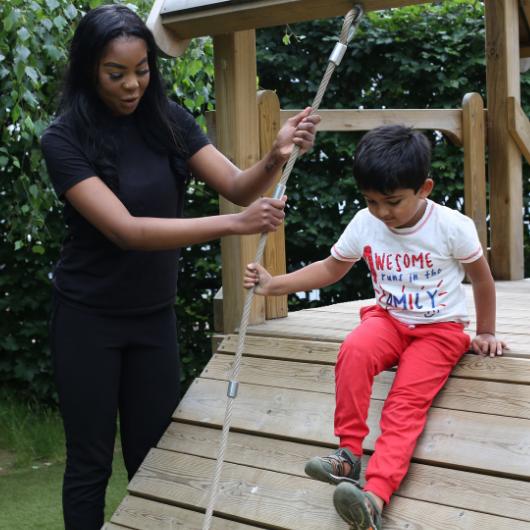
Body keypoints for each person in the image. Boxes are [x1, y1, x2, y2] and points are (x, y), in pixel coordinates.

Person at [40, 4, 319, 529]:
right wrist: (236, 226)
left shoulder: (169, 121)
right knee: (89, 463)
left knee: (154, 456)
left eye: (142, 70)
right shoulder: (63, 139)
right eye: (115, 73)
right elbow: (126, 230)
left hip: (153, 319)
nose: (131, 85)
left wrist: (275, 155)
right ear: (88, 70)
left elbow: (237, 186)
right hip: (87, 319)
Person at [244, 124, 506, 529]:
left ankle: (375, 497)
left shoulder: (452, 226)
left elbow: (483, 279)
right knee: (354, 351)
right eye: (371, 201)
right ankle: (348, 455)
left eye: (393, 201)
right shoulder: (366, 223)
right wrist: (273, 285)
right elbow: (332, 268)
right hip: (388, 319)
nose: (382, 212)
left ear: (425, 188)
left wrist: (485, 331)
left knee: (404, 406)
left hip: (439, 331)